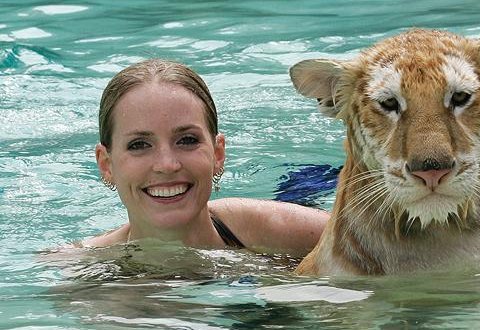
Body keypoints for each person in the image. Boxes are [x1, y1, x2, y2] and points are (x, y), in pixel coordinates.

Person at [81, 59, 328, 257]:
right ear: (106, 164)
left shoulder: (289, 232)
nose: (167, 165)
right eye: (139, 145)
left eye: (187, 140)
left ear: (218, 154)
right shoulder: (81, 276)